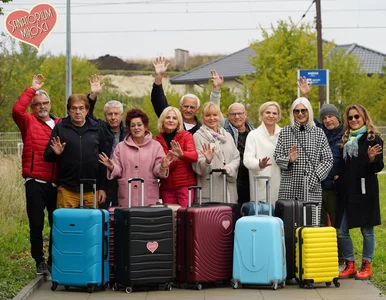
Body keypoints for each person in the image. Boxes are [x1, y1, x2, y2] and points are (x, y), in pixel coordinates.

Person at [12, 74, 60, 276]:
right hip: (35, 181)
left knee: (56, 224)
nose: (42, 106)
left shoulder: (60, 123)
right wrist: (31, 89)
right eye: (37, 104)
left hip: (56, 183)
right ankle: (39, 260)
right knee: (37, 223)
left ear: (50, 104)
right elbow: (16, 110)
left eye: (45, 103)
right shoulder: (28, 121)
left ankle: (53, 260)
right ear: (33, 107)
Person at [336, 104, 384, 280]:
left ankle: (366, 264)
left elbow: (379, 167)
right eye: (350, 118)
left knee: (367, 231)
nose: (354, 120)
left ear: (364, 117)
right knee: (341, 230)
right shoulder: (345, 139)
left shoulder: (374, 139)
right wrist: (337, 179)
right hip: (346, 192)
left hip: (365, 191)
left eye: (357, 116)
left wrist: (372, 159)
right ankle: (350, 264)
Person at [273, 97, 333, 225]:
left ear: (309, 112)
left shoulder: (318, 133)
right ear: (292, 113)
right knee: (289, 224)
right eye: (297, 111)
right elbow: (277, 156)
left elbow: (328, 159)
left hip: (311, 187)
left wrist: (316, 177)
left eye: (303, 110)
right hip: (289, 187)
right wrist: (289, 159)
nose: (300, 114)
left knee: (310, 224)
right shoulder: (285, 132)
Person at [99, 108, 174, 207]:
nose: (136, 128)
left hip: (148, 196)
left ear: (145, 127)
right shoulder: (121, 147)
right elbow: (119, 171)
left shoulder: (156, 146)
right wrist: (112, 166)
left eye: (139, 125)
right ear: (129, 129)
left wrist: (163, 166)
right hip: (127, 196)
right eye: (132, 125)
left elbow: (157, 171)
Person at [44, 94, 107, 208]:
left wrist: (102, 187)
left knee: (91, 225)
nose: (78, 112)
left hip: (92, 189)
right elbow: (47, 156)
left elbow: (103, 160)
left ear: (87, 110)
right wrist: (55, 153)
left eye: (81, 108)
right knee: (67, 224)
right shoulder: (60, 128)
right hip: (67, 189)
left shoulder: (97, 128)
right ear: (68, 110)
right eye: (74, 108)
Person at [210, 70, 254, 204]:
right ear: (228, 116)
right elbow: (214, 109)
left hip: (250, 178)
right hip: (232, 176)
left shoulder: (254, 132)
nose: (237, 117)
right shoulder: (225, 129)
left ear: (245, 114)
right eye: (233, 114)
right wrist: (216, 90)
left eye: (240, 113)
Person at [87, 76, 128, 208]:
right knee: (104, 215)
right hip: (103, 178)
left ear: (121, 115)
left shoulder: (128, 132)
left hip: (122, 179)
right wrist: (93, 95)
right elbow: (87, 116)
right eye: (110, 114)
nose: (113, 117)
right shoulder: (100, 128)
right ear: (105, 115)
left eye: (116, 114)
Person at [150, 56, 218, 135]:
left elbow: (215, 112)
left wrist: (216, 89)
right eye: (186, 106)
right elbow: (158, 101)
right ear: (180, 107)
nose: (188, 110)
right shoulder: (172, 122)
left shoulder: (203, 130)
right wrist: (159, 77)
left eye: (192, 107)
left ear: (197, 109)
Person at [192, 102, 240, 203]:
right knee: (212, 217)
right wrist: (207, 161)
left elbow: (236, 157)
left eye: (215, 115)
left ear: (220, 116)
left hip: (229, 189)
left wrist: (228, 169)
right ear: (202, 117)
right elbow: (197, 163)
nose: (212, 118)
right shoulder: (197, 136)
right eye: (208, 115)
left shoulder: (227, 136)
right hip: (210, 190)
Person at [155, 107, 198, 207]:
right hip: (167, 187)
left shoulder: (186, 136)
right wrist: (166, 165)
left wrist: (182, 155)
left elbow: (194, 156)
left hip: (185, 185)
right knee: (170, 218)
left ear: (178, 122)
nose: (171, 120)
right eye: (168, 117)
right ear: (162, 120)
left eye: (174, 118)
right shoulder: (157, 140)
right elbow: (158, 165)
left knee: (185, 216)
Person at [243, 101, 282, 203]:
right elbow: (247, 160)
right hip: (261, 182)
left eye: (274, 113)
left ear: (278, 116)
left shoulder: (283, 133)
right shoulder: (253, 135)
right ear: (261, 114)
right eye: (267, 112)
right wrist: (259, 164)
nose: (271, 116)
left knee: (280, 214)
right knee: (262, 214)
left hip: (281, 183)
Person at [316, 104, 345, 227]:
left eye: (330, 116)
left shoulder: (346, 134)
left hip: (335, 189)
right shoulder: (321, 131)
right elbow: (309, 117)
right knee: (320, 225)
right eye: (324, 118)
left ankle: (339, 247)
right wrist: (305, 95)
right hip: (319, 187)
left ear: (337, 117)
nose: (327, 120)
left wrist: (341, 176)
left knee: (337, 225)